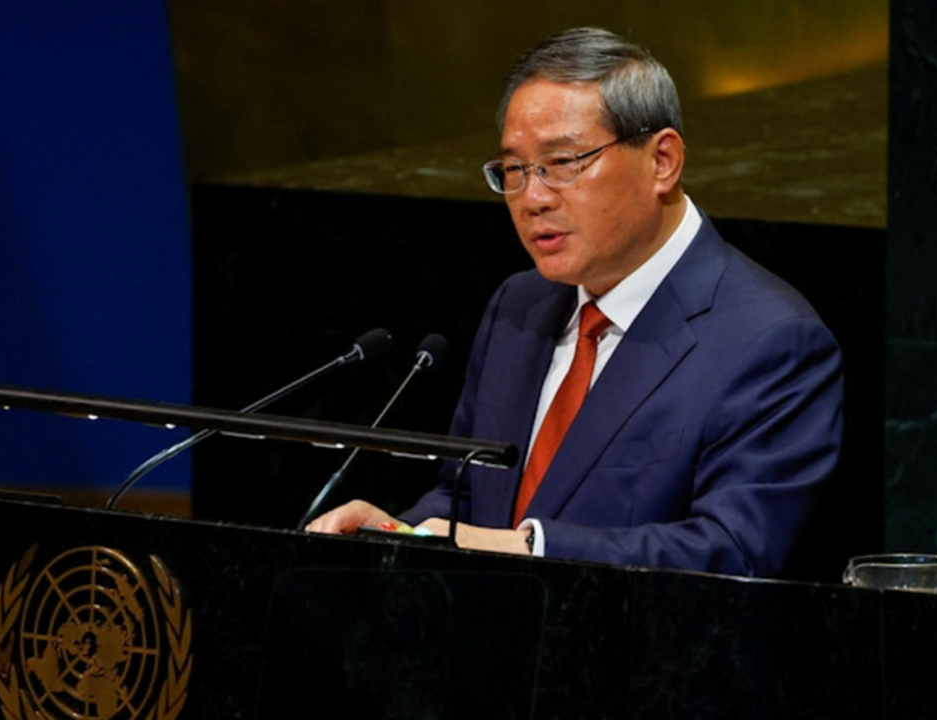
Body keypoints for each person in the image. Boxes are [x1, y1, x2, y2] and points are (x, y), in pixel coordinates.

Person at [306, 27, 843, 578]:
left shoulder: (771, 340)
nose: (533, 198)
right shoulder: (519, 305)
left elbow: (732, 552)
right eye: (514, 170)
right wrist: (397, 533)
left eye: (562, 163)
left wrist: (530, 547)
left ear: (662, 160)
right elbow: (467, 498)